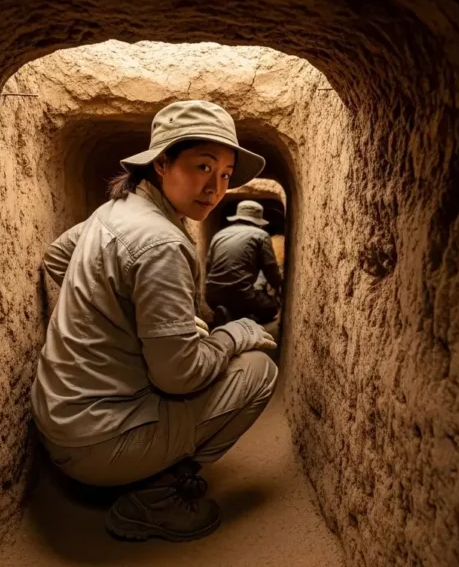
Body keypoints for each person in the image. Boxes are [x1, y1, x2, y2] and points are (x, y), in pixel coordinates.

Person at [31, 100, 279, 543]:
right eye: (202, 166)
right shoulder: (162, 241)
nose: (215, 187)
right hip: (98, 444)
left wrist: (115, 320)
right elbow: (179, 377)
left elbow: (56, 259)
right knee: (258, 369)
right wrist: (234, 334)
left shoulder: (115, 210)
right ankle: (152, 500)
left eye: (224, 174)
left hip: (61, 421)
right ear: (162, 163)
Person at [205, 200, 283, 325]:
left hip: (212, 297)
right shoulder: (261, 235)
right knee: (271, 308)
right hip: (242, 296)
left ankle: (228, 314)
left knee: (242, 295)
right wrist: (279, 289)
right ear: (258, 222)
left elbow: (209, 266)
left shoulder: (219, 235)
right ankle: (243, 318)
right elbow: (270, 268)